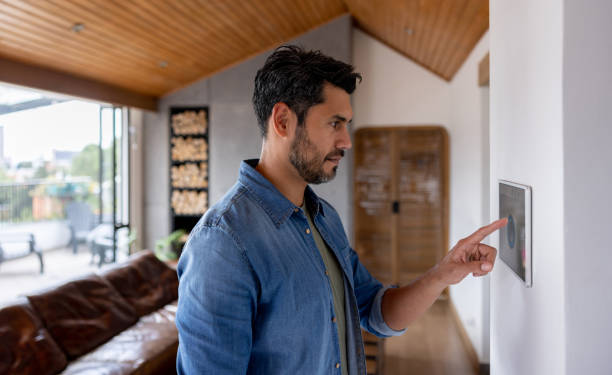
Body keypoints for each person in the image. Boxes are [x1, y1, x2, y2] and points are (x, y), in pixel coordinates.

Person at [175, 45, 507, 375]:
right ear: (283, 121)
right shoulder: (222, 243)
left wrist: (443, 274)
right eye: (335, 123)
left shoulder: (323, 218)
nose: (347, 141)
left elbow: (376, 312)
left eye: (346, 124)